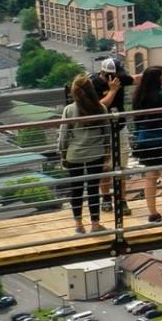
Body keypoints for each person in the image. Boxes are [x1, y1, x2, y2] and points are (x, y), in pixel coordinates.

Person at [127, 65, 162, 224]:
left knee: (150, 177)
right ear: (158, 79)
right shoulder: (161, 94)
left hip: (145, 141)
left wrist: (138, 137)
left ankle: (153, 213)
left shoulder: (138, 96)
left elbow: (136, 121)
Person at [58, 73, 110, 233]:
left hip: (75, 155)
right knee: (93, 189)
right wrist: (107, 151)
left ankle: (79, 225)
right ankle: (95, 224)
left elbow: (63, 136)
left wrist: (63, 153)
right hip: (96, 153)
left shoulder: (69, 110)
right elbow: (107, 132)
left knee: (76, 189)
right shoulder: (101, 108)